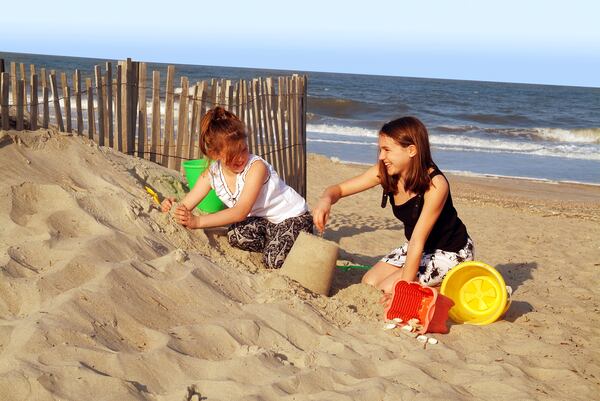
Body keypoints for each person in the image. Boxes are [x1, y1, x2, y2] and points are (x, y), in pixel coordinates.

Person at [313, 116, 473, 293]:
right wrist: (325, 200)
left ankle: (446, 287)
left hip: (449, 251)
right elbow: (339, 190)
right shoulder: (386, 173)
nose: (382, 157)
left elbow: (417, 241)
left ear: (411, 150)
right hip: (417, 246)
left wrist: (404, 289)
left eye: (387, 150)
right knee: (369, 283)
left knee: (389, 289)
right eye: (380, 149)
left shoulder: (435, 185)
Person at [162, 106, 313, 269]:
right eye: (233, 154)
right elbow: (187, 204)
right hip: (267, 221)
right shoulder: (211, 174)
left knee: (273, 260)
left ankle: (296, 244)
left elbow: (241, 211)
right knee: (236, 235)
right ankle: (277, 240)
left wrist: (198, 222)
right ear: (215, 154)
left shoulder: (256, 167)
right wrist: (173, 206)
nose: (241, 157)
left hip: (294, 217)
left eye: (244, 149)